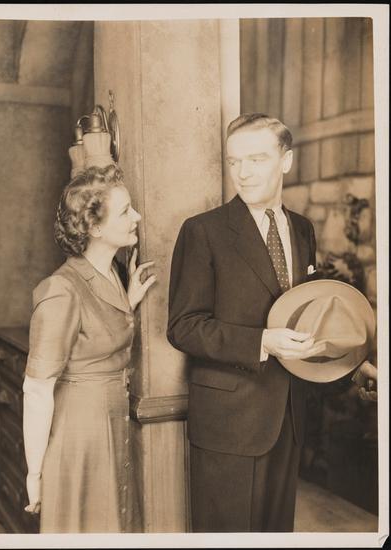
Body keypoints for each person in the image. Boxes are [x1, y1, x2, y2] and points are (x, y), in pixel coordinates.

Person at [167, 113, 325, 532]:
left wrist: (347, 360)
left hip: (288, 419)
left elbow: (305, 310)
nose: (242, 172)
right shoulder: (202, 231)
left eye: (257, 159)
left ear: (286, 160)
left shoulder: (303, 230)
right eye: (234, 161)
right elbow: (183, 326)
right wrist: (263, 342)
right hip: (228, 425)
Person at [22, 164, 156, 533]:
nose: (137, 217)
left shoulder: (112, 273)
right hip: (80, 434)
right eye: (126, 211)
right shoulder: (60, 290)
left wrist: (127, 301)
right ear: (95, 228)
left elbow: (95, 334)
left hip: (112, 423)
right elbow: (36, 389)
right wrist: (35, 472)